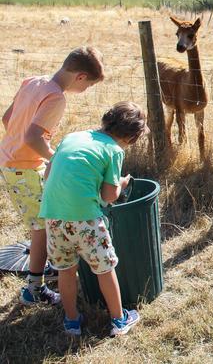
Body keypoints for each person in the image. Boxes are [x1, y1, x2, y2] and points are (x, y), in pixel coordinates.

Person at [0, 46, 105, 306]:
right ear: (80, 76)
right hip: (24, 167)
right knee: (42, 228)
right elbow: (32, 137)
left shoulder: (33, 81)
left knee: (43, 223)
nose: (86, 90)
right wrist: (55, 158)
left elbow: (7, 118)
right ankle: (34, 289)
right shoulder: (56, 97)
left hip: (10, 161)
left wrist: (30, 149)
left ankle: (45, 269)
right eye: (89, 85)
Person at [39, 101, 147, 336]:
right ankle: (119, 320)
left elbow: (48, 173)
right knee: (105, 268)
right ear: (131, 138)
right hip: (85, 219)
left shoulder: (72, 137)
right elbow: (109, 195)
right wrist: (122, 183)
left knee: (66, 270)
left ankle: (71, 320)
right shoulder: (115, 150)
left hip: (52, 213)